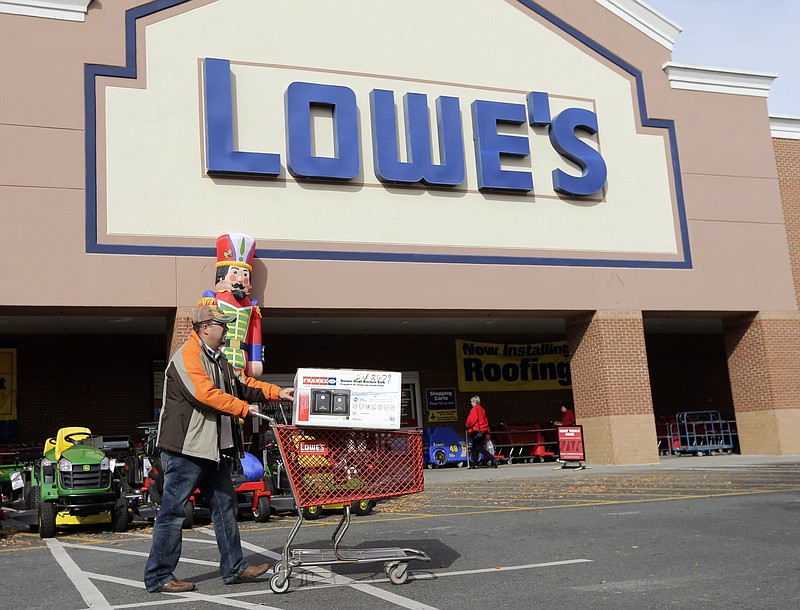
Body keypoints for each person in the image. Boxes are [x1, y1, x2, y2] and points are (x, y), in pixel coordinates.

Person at [144, 305, 295, 593]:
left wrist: (278, 392)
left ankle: (234, 568)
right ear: (205, 328)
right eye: (222, 325)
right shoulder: (187, 356)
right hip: (186, 450)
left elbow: (243, 383)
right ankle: (159, 576)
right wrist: (244, 410)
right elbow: (205, 395)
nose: (226, 330)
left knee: (225, 507)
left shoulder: (219, 360)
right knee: (173, 512)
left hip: (213, 451)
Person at [465, 395, 497, 469]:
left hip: (476, 431)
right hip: (483, 430)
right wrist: (487, 431)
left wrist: (467, 425)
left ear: (474, 402)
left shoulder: (474, 409)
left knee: (478, 447)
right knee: (474, 447)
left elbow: (471, 421)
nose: (471, 404)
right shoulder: (482, 410)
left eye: (472, 402)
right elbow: (485, 420)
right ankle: (474, 464)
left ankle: (492, 458)